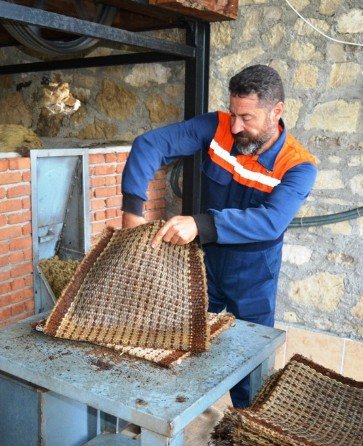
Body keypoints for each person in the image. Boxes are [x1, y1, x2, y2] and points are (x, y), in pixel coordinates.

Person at [120, 64, 318, 408]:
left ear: (277, 112)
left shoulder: (299, 166)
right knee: (183, 342)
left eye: (247, 118)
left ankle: (245, 427)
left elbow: (271, 221)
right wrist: (132, 213)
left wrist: (200, 224)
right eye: (233, 113)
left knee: (249, 361)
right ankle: (171, 417)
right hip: (204, 262)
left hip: (254, 273)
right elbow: (150, 144)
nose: (236, 126)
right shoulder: (218, 126)